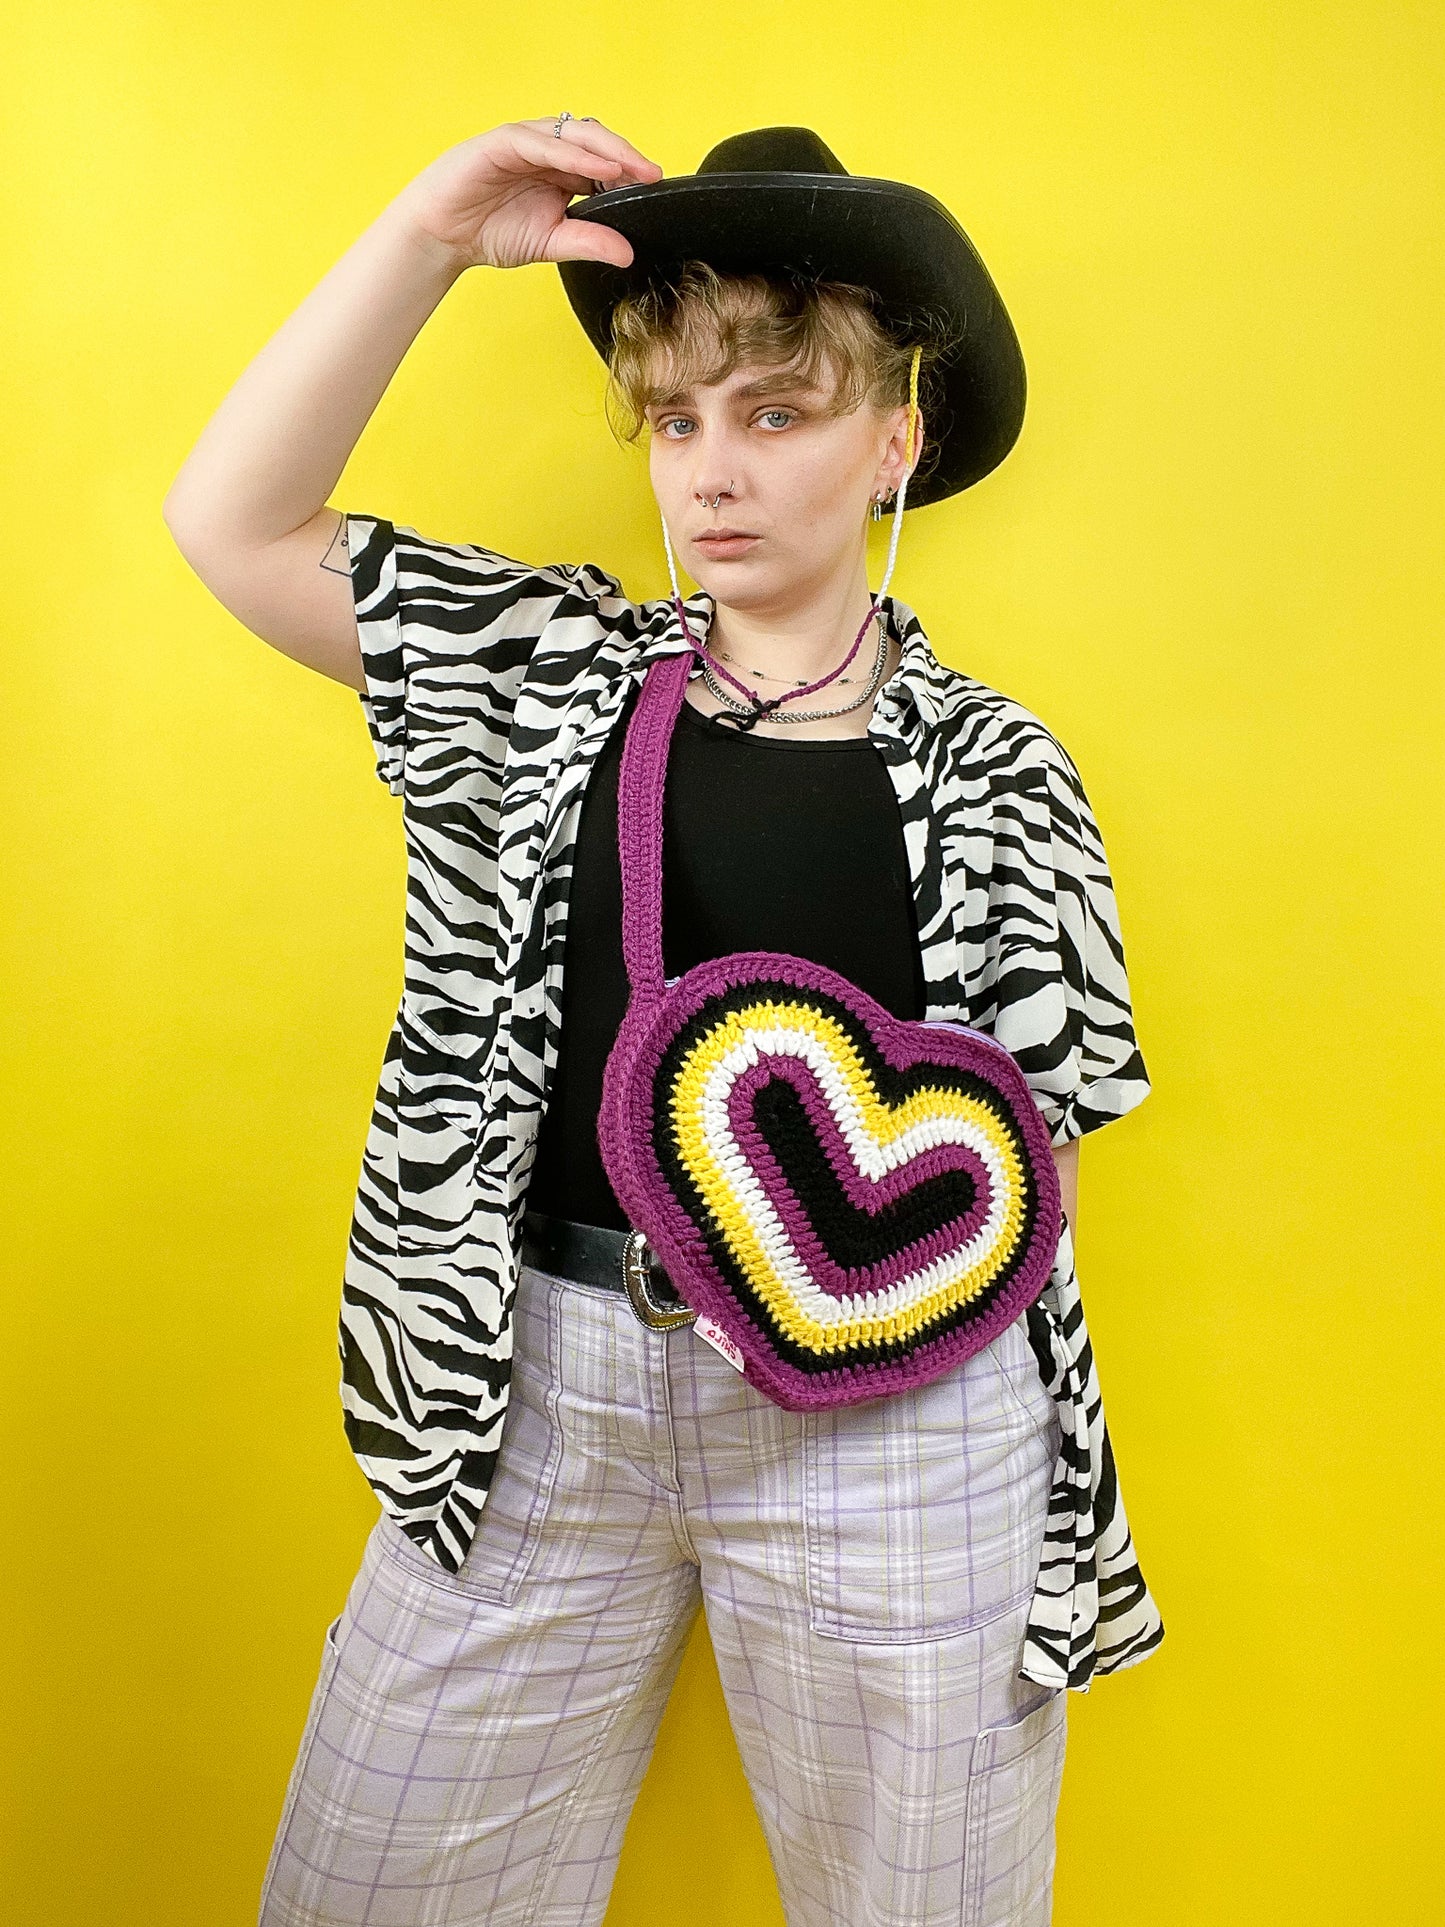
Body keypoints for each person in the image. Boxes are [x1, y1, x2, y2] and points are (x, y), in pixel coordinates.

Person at [164, 116, 1163, 1927]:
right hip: (533, 1390)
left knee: (922, 1899)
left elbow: (1038, 1155)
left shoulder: (1005, 772)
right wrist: (422, 234)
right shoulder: (539, 676)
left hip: (897, 1402)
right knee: (372, 1884)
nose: (710, 469)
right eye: (673, 421)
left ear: (893, 441)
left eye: (774, 413)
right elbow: (229, 523)